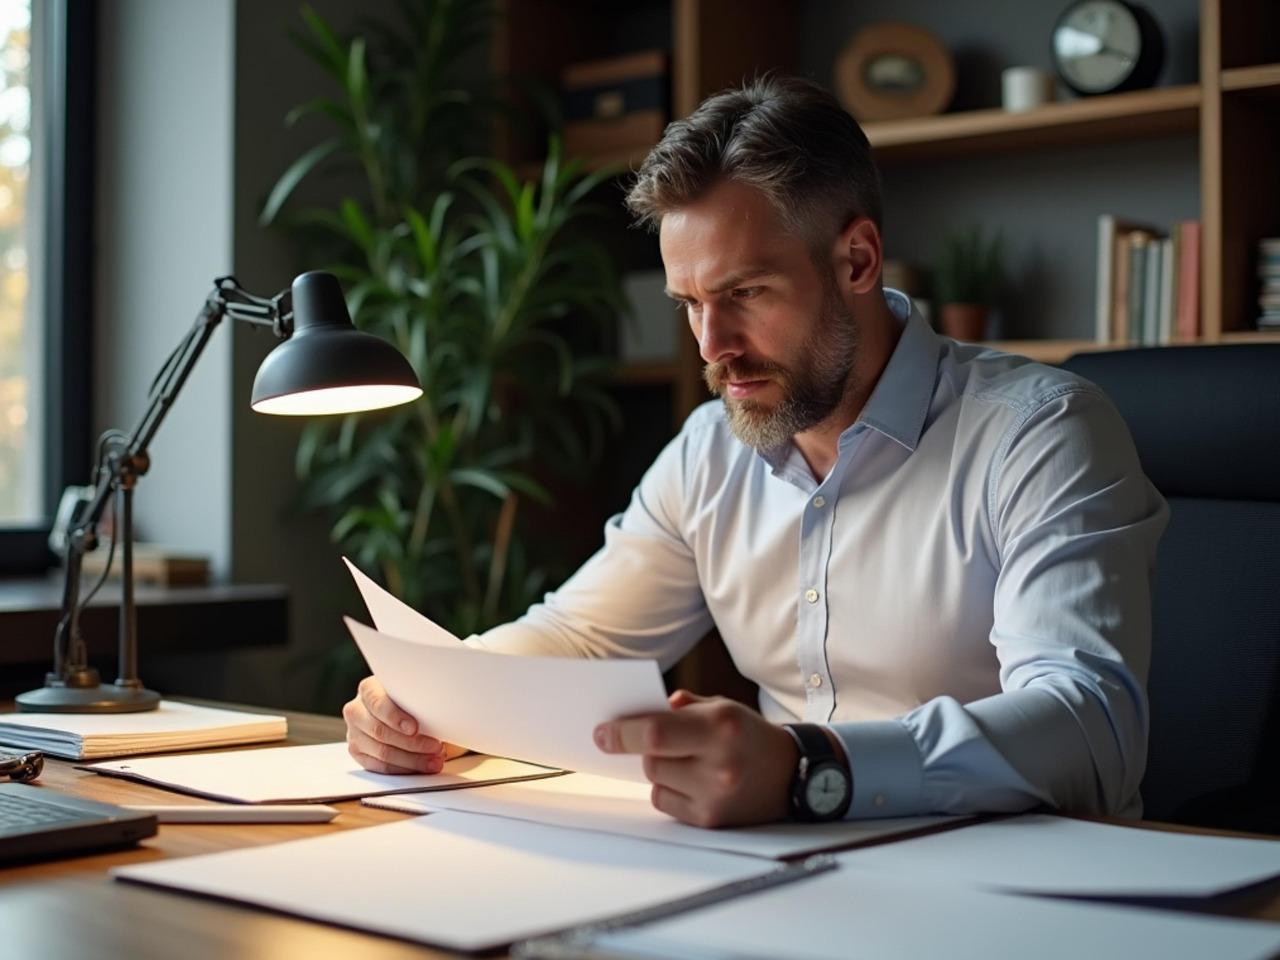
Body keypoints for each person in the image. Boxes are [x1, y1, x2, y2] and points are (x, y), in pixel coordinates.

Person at [342, 74, 1169, 828]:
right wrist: (430, 696)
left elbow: (1088, 723)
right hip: (792, 871)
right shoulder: (711, 451)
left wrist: (813, 768)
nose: (713, 345)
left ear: (857, 259)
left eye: (744, 294)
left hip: (1028, 885)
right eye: (690, 303)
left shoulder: (1039, 431)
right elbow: (582, 637)